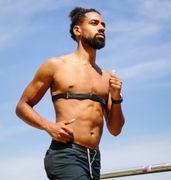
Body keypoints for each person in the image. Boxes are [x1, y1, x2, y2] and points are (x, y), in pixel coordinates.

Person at [15, 7, 125, 180]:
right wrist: (49, 126)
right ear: (77, 30)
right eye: (94, 23)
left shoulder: (107, 77)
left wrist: (117, 97)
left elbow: (115, 129)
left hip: (94, 160)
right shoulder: (56, 65)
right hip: (65, 154)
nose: (102, 28)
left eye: (103, 24)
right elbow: (22, 106)